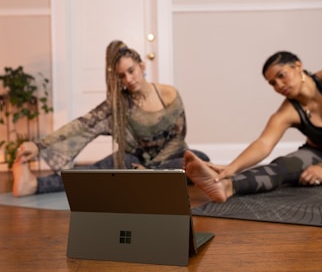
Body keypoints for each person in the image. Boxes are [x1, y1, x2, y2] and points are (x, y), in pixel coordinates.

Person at [12, 40, 209, 197]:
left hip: (168, 159)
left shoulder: (168, 94)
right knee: (98, 172)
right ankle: (34, 185)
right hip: (134, 162)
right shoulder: (117, 105)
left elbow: (177, 138)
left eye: (131, 71)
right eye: (122, 76)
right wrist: (39, 145)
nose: (128, 80)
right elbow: (81, 126)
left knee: (200, 160)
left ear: (142, 66)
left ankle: (149, 178)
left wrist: (150, 169)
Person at [183, 50, 322, 203]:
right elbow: (263, 144)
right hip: (317, 151)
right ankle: (228, 186)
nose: (278, 85)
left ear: (298, 66)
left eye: (281, 75)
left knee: (316, 172)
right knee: (282, 167)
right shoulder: (286, 112)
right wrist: (230, 168)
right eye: (272, 83)